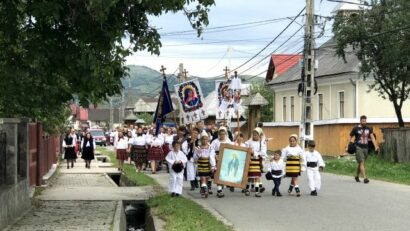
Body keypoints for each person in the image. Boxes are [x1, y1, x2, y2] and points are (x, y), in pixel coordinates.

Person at [347, 115, 379, 184]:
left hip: (366, 148)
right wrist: (348, 145)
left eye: (365, 121)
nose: (364, 122)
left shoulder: (369, 129)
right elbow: (350, 136)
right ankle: (365, 178)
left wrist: (376, 146)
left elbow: (372, 138)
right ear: (360, 121)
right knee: (361, 162)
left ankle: (357, 176)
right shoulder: (356, 128)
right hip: (358, 147)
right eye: (363, 121)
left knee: (361, 163)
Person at [210, 127, 233, 198]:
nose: (222, 136)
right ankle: (219, 191)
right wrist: (215, 156)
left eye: (223, 134)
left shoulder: (228, 141)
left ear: (225, 134)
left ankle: (226, 185)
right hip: (218, 159)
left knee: (223, 175)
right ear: (218, 134)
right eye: (220, 134)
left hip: (226, 159)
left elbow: (231, 150)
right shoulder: (215, 142)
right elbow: (211, 151)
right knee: (218, 175)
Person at [244, 128, 267, 197]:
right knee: (250, 177)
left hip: (257, 162)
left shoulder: (262, 143)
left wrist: (255, 152)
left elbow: (263, 152)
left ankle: (257, 192)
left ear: (259, 135)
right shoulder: (249, 142)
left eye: (256, 135)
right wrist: (249, 150)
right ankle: (247, 190)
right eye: (253, 135)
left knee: (257, 176)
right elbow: (245, 147)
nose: (254, 136)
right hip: (250, 161)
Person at [194, 134, 216, 199]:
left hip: (207, 164)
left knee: (206, 178)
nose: (205, 141)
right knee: (202, 178)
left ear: (208, 140)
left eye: (206, 139)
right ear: (201, 140)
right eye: (203, 139)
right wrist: (198, 154)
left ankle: (203, 190)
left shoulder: (210, 148)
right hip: (201, 164)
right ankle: (205, 189)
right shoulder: (198, 148)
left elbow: (212, 157)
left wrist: (213, 166)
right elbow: (194, 158)